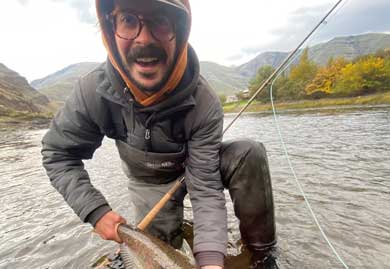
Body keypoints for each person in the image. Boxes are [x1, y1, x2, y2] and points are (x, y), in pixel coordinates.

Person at [41, 0, 276, 268]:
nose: (144, 39)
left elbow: (205, 189)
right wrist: (96, 212)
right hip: (150, 181)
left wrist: (211, 260)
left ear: (180, 29)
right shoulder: (92, 91)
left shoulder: (205, 101)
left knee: (249, 153)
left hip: (201, 168)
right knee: (161, 252)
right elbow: (58, 154)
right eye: (129, 19)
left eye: (161, 20)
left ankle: (263, 257)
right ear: (110, 26)